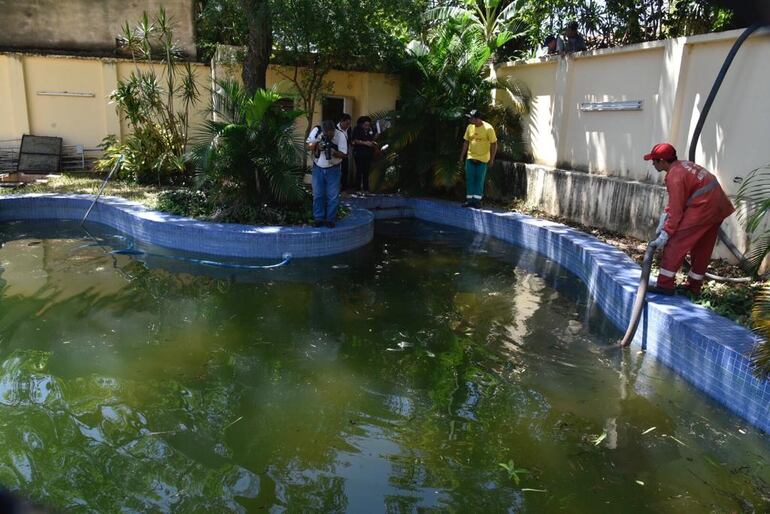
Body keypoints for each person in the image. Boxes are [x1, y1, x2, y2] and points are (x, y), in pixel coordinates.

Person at [644, 143, 735, 296]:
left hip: (704, 207)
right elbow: (677, 202)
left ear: (662, 161)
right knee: (702, 247)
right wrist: (663, 220)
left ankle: (665, 285)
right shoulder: (683, 166)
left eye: (654, 161)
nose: (653, 164)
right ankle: (694, 287)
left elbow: (676, 210)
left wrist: (666, 234)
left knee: (675, 243)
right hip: (718, 206)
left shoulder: (674, 176)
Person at [307, 120, 348, 228]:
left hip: (333, 169)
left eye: (331, 134)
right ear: (323, 131)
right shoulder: (316, 131)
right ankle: (318, 219)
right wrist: (317, 146)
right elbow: (309, 145)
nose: (329, 136)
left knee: (333, 196)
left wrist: (334, 152)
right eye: (326, 134)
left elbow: (344, 155)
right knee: (317, 195)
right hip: (318, 168)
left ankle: (330, 220)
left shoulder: (340, 135)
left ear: (334, 131)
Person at [460, 109, 497, 208]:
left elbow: (494, 144)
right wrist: (462, 156)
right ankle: (469, 201)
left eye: (471, 118)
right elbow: (466, 142)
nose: (469, 120)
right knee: (470, 179)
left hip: (483, 159)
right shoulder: (469, 127)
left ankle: (477, 201)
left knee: (479, 180)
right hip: (470, 158)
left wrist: (492, 159)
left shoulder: (488, 128)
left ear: (477, 119)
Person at [352, 116, 378, 192]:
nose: (367, 127)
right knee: (359, 170)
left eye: (368, 125)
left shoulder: (371, 129)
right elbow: (354, 140)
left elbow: (373, 138)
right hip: (359, 153)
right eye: (365, 125)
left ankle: (366, 188)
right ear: (361, 124)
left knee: (366, 171)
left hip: (369, 153)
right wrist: (365, 143)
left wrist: (373, 142)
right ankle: (358, 188)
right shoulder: (357, 129)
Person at [337, 113, 352, 191]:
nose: (348, 125)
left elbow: (349, 140)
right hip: (337, 154)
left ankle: (344, 189)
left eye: (349, 124)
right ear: (341, 121)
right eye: (347, 123)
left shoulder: (349, 129)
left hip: (345, 154)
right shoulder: (335, 129)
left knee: (345, 171)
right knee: (336, 172)